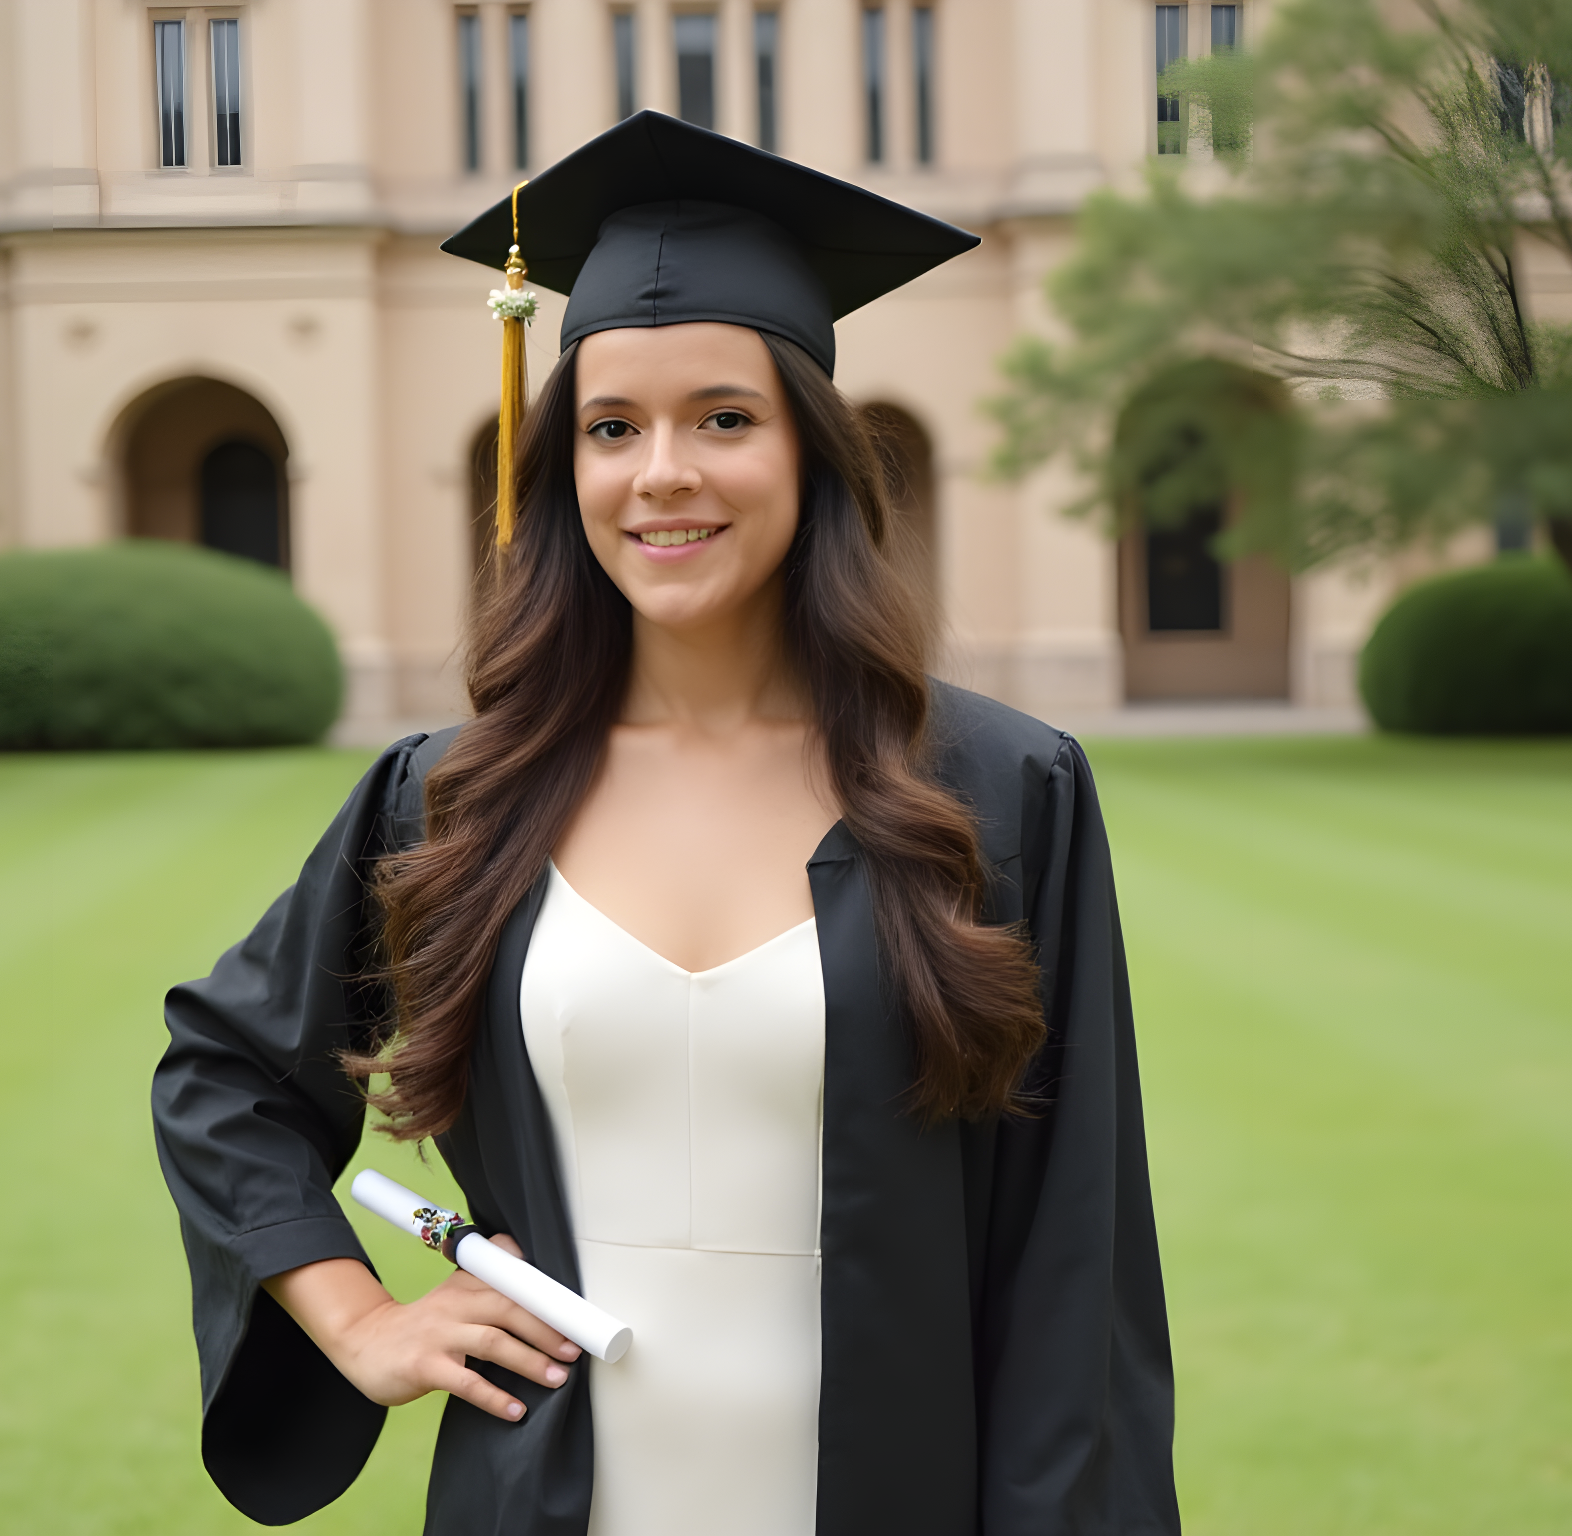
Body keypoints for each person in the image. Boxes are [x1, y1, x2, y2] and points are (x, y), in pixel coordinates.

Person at [153, 111, 1177, 1536]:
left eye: (725, 419)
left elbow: (1078, 1265)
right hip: (552, 1497)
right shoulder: (459, 795)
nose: (662, 475)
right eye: (611, 428)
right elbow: (225, 1074)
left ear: (813, 450)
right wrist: (356, 1321)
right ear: (562, 470)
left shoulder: (997, 796)